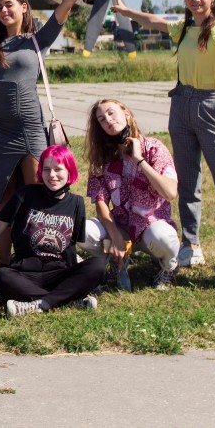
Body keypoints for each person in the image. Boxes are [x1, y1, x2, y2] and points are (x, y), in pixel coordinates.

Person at [0, 0, 98, 264]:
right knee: (3, 198)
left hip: (30, 130)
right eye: (0, 7)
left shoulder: (37, 40)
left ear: (24, 7)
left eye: (10, 5)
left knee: (39, 194)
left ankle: (42, 255)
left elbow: (67, 4)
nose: (4, 11)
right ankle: (4, 261)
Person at [112, 0, 215, 265]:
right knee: (187, 180)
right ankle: (191, 244)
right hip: (180, 103)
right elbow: (153, 20)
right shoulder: (183, 28)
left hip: (211, 105)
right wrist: (126, 11)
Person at [0, 145, 105, 316]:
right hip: (25, 274)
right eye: (46, 169)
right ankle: (65, 300)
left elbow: (71, 246)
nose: (52, 175)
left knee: (97, 265)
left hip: (59, 274)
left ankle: (37, 304)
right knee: (1, 276)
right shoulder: (26, 194)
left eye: (58, 169)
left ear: (69, 170)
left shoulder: (76, 203)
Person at [78, 99, 179, 290]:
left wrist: (139, 160)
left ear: (126, 113)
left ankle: (167, 267)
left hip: (151, 226)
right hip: (121, 225)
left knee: (164, 237)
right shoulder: (102, 159)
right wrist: (115, 236)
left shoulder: (154, 148)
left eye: (111, 113)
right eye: (101, 119)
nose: (108, 119)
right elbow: (100, 203)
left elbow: (170, 192)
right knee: (81, 230)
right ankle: (116, 258)